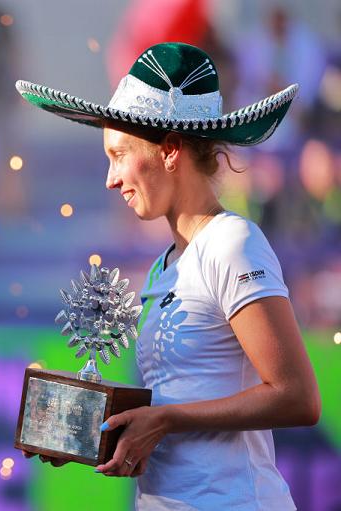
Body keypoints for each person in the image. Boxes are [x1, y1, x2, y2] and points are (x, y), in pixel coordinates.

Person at [16, 42, 320, 510]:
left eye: (119, 155)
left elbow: (297, 397)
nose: (110, 179)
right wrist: (87, 429)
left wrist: (165, 419)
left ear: (171, 150)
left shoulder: (232, 242)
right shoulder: (165, 265)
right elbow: (183, 395)